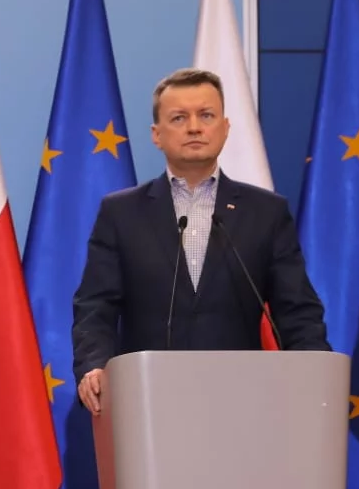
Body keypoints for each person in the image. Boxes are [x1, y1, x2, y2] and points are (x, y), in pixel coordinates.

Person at [71, 68, 329, 412]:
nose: (194, 127)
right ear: (156, 134)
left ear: (224, 127)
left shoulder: (265, 212)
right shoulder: (121, 214)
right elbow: (95, 307)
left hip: (242, 402)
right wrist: (94, 364)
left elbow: (297, 310)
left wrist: (314, 372)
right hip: (147, 401)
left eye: (206, 115)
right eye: (179, 118)